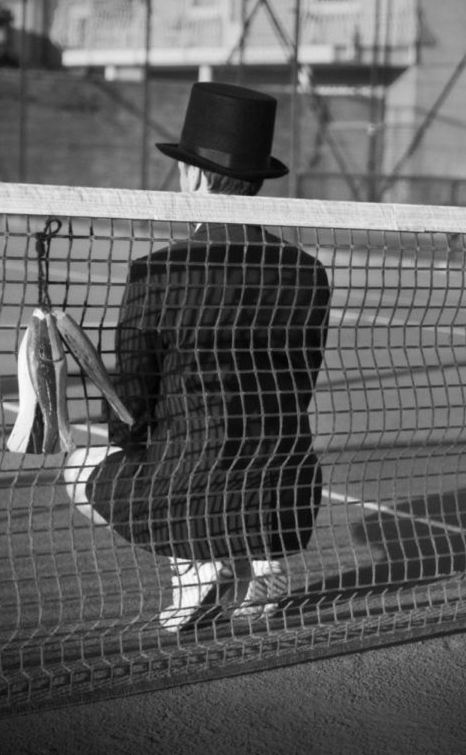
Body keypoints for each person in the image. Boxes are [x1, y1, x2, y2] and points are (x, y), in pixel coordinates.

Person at [64, 82, 331, 631]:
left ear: (195, 176)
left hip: (188, 487)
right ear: (255, 180)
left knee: (79, 470)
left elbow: (131, 401)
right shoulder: (307, 272)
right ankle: (265, 559)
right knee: (244, 453)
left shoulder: (158, 271)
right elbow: (299, 384)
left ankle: (194, 563)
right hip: (287, 494)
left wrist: (136, 455)